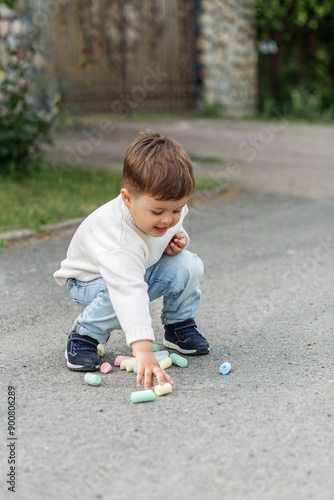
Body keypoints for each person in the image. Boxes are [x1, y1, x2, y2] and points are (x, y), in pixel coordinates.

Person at [54, 130, 209, 390]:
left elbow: (173, 226)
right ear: (127, 198)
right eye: (158, 211)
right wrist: (144, 352)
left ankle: (179, 324)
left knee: (188, 263)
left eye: (177, 209)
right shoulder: (119, 239)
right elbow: (128, 290)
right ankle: (85, 335)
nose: (168, 219)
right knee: (122, 293)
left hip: (136, 269)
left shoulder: (166, 209)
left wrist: (179, 239)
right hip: (90, 280)